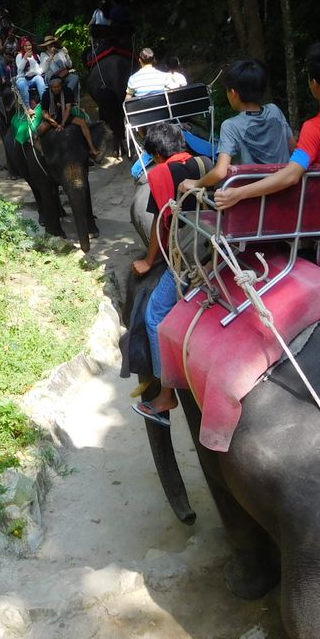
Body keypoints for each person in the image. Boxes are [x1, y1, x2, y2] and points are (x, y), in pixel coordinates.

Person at [213, 42, 320, 211]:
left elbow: (291, 175)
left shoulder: (315, 128)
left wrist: (238, 193)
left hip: (317, 212)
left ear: (314, 83)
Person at [130, 123, 203, 425]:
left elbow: (162, 223)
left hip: (190, 256)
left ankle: (165, 394)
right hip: (218, 246)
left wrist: (149, 261)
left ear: (157, 155)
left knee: (154, 315)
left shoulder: (160, 174)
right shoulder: (203, 163)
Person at [179, 59, 293, 195]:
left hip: (250, 197)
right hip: (285, 191)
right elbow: (292, 146)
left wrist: (196, 183)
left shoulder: (231, 126)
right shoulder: (275, 111)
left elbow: (220, 172)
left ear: (233, 93)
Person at [40, 76, 103, 161]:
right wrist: (52, 121)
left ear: (61, 85)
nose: (57, 89)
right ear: (51, 87)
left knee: (82, 123)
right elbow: (44, 112)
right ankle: (39, 146)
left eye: (58, 86)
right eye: (54, 87)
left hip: (65, 115)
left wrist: (62, 124)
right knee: (42, 129)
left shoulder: (67, 91)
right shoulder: (46, 95)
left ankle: (92, 148)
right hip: (52, 117)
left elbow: (68, 108)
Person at [14, 36, 46, 110]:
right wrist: (25, 58)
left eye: (29, 45)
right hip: (22, 78)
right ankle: (28, 108)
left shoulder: (36, 56)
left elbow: (38, 68)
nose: (28, 47)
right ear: (22, 46)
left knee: (39, 79)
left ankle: (44, 102)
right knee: (22, 84)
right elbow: (20, 69)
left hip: (33, 77)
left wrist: (32, 60)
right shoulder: (19, 56)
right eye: (25, 46)